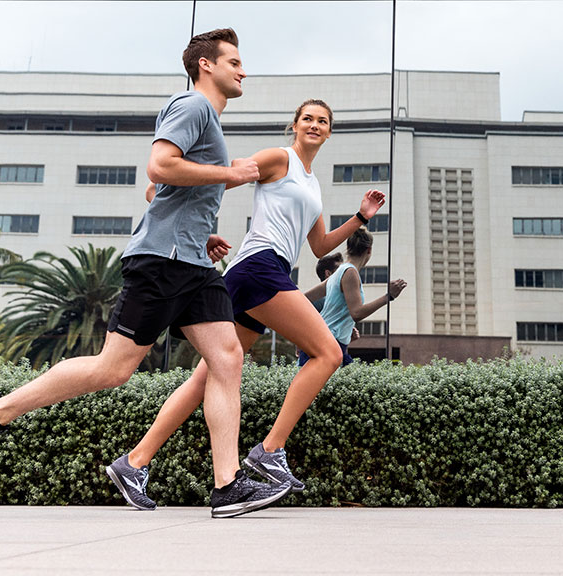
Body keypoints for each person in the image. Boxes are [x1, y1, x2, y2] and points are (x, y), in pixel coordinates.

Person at [0, 28, 292, 519]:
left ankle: (228, 484)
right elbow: (159, 166)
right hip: (162, 262)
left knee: (227, 358)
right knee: (113, 369)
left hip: (193, 262)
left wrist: (202, 233)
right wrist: (228, 175)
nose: (243, 70)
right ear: (206, 66)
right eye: (234, 61)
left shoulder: (208, 123)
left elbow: (157, 195)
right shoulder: (192, 106)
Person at [110, 98, 386, 508]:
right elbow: (226, 176)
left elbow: (320, 246)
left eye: (322, 121)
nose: (314, 125)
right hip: (259, 267)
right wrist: (164, 191)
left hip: (258, 273)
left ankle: (133, 462)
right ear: (295, 125)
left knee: (206, 379)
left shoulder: (312, 182)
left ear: (329, 132)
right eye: (307, 118)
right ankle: (270, 451)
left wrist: (360, 218)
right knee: (328, 351)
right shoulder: (278, 158)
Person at [299, 228, 406, 367]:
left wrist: (302, 335)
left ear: (348, 248)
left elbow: (302, 300)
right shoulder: (350, 273)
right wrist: (389, 296)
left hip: (322, 342)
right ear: (369, 251)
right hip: (328, 345)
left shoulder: (338, 273)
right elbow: (356, 313)